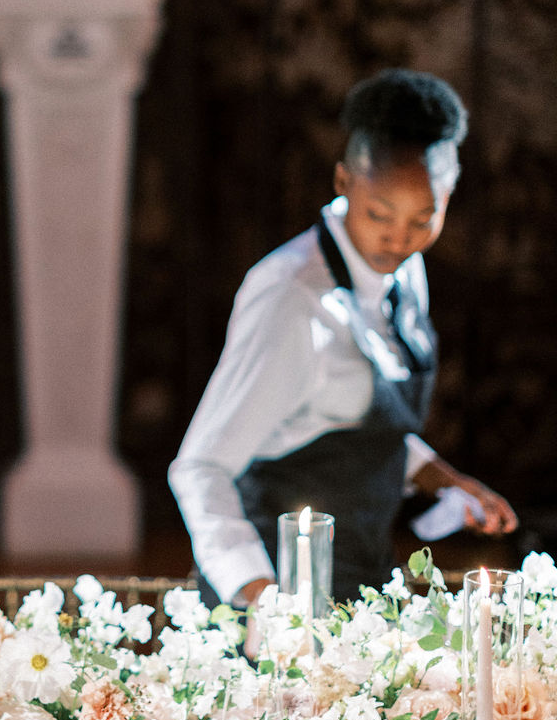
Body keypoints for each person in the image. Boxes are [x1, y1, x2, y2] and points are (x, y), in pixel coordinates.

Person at [168, 69, 518, 612]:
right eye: (380, 214)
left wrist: (447, 482)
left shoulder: (405, 271)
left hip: (360, 567)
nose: (399, 238)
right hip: (273, 581)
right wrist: (265, 603)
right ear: (342, 182)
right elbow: (199, 468)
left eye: (424, 218)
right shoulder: (290, 296)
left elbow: (346, 421)